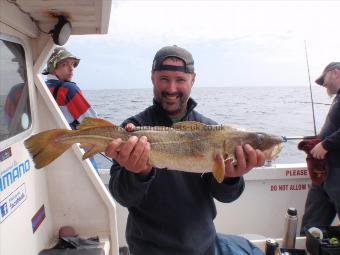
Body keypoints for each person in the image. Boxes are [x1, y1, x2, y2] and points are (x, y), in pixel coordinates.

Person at [105, 45, 266, 254]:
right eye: (164, 78)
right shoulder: (133, 129)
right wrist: (139, 174)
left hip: (201, 246)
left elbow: (225, 196)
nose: (171, 88)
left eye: (180, 80)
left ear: (193, 80)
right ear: (153, 78)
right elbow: (123, 197)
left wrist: (230, 178)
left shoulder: (212, 131)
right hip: (148, 248)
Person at [43, 47, 98, 170]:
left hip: (52, 149)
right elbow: (94, 123)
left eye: (72, 64)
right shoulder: (69, 89)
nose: (71, 68)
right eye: (64, 64)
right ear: (53, 67)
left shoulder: (43, 88)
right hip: (77, 151)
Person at [301, 62, 340, 233]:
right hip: (325, 172)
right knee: (311, 225)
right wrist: (317, 141)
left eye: (323, 79)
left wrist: (325, 143)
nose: (322, 84)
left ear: (335, 73)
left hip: (337, 173)